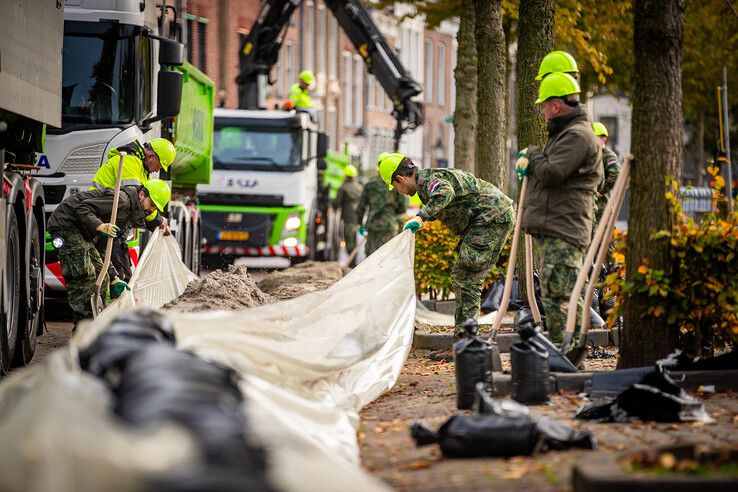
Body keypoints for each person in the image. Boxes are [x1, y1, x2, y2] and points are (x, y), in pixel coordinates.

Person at [379, 153, 514, 360]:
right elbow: (446, 201)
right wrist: (424, 219)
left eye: (396, 187)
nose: (400, 192)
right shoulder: (427, 182)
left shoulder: (429, 181)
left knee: (466, 277)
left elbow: (444, 193)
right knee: (464, 277)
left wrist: (420, 216)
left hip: (491, 217)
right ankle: (463, 340)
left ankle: (466, 342)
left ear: (400, 179)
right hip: (486, 218)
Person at [515, 72, 602, 350]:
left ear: (555, 105)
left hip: (565, 228)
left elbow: (552, 171)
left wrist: (532, 153)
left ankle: (569, 357)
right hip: (557, 225)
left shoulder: (577, 135)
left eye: (543, 106)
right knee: (556, 294)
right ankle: (565, 354)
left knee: (561, 295)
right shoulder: (567, 133)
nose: (542, 113)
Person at [48, 179, 171, 325]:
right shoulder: (122, 201)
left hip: (83, 231)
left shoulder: (128, 214)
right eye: (152, 204)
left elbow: (103, 247)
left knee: (103, 275)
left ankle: (99, 324)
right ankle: (83, 331)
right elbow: (81, 208)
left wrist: (114, 277)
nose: (152, 210)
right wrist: (99, 225)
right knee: (85, 277)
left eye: (156, 208)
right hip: (66, 224)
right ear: (142, 195)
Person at [92, 138, 174, 282]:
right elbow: (137, 205)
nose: (157, 170)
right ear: (150, 156)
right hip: (104, 221)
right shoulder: (130, 163)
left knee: (123, 275)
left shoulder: (140, 167)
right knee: (117, 276)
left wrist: (158, 222)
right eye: (159, 166)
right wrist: (159, 220)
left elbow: (144, 206)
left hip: (113, 223)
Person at [356, 153, 408, 255]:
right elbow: (403, 206)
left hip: (373, 226)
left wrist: (360, 223)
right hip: (390, 225)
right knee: (389, 258)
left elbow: (361, 207)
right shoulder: (395, 183)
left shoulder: (370, 184)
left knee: (372, 259)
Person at [591, 121, 622, 231]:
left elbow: (616, 175)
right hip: (594, 203)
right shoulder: (592, 155)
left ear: (603, 138)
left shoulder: (608, 156)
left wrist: (601, 192)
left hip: (604, 202)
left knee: (606, 234)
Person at [332, 164, 363, 266]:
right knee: (354, 241)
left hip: (348, 219)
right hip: (358, 219)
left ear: (346, 176)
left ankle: (352, 265)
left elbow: (336, 204)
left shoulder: (343, 188)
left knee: (349, 242)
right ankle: (354, 262)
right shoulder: (360, 188)